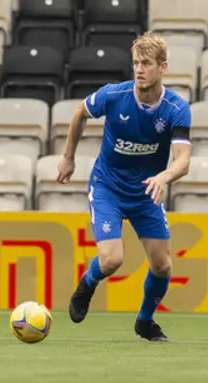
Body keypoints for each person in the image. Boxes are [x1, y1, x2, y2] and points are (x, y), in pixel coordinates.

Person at [56, 33, 192, 342]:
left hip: (146, 191)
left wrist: (163, 177)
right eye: (135, 63)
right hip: (108, 187)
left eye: (146, 63)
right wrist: (68, 158)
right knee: (112, 260)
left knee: (162, 264)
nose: (139, 69)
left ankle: (144, 322)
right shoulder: (113, 96)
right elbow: (80, 112)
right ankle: (87, 284)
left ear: (163, 67)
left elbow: (183, 160)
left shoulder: (176, 109)